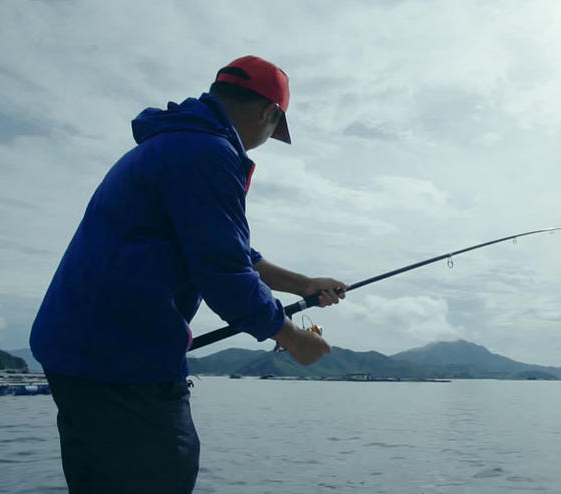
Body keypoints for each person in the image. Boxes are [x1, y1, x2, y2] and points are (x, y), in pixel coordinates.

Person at [29, 55, 346, 493]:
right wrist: (293, 339)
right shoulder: (208, 153)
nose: (268, 138)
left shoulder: (179, 142)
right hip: (120, 360)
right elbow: (224, 272)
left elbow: (227, 251)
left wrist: (304, 285)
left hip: (82, 351)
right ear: (268, 113)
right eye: (276, 129)